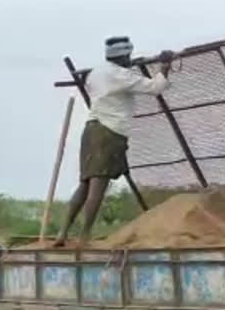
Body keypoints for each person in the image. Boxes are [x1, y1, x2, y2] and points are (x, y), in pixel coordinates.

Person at [54, 36, 174, 247]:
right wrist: (165, 65)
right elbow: (155, 88)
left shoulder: (95, 73)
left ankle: (62, 233)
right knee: (98, 185)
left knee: (85, 183)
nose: (130, 59)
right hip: (109, 132)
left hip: (91, 128)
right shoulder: (121, 75)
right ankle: (84, 235)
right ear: (123, 56)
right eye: (128, 56)